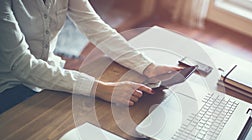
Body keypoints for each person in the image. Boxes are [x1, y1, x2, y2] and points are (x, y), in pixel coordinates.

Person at [0, 0, 181, 114]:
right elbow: (23, 67)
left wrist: (148, 67)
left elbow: (97, 29)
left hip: (51, 74)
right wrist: (101, 89)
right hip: (9, 86)